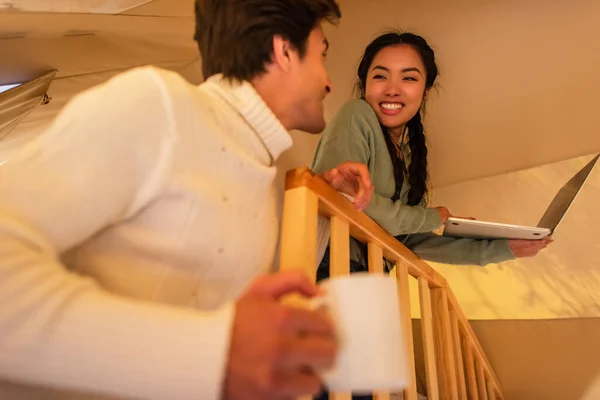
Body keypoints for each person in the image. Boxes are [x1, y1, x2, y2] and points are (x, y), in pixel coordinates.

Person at [0, 1, 375, 399]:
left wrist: (326, 197)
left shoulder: (261, 180)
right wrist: (217, 353)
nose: (329, 82)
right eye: (323, 54)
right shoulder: (159, 105)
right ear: (284, 51)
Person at [311, 31, 551, 399]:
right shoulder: (354, 114)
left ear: (425, 89)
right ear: (364, 84)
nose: (393, 89)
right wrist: (432, 216)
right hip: (328, 273)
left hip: (364, 282)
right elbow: (351, 201)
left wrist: (504, 248)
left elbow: (410, 241)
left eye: (408, 77)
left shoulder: (407, 156)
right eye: (380, 76)